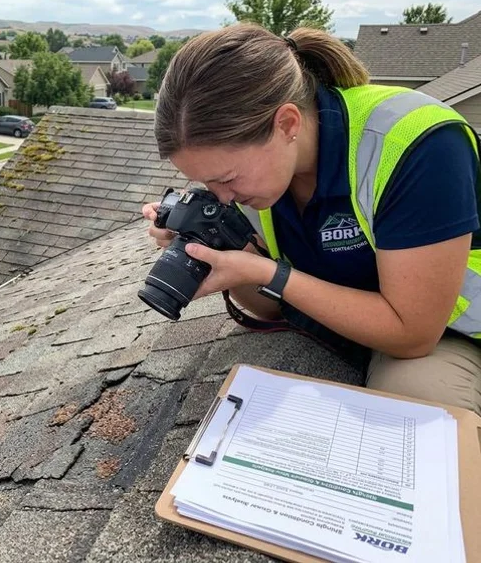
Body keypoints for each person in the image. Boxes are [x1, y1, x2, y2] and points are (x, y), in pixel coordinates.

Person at [142, 23, 481, 414]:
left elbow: (414, 335)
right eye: (206, 183)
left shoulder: (417, 144)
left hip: (454, 331)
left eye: (227, 179)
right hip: (366, 325)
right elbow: (272, 307)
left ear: (287, 123)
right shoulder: (262, 178)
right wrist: (221, 258)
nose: (223, 197)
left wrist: (271, 274)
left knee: (416, 409)